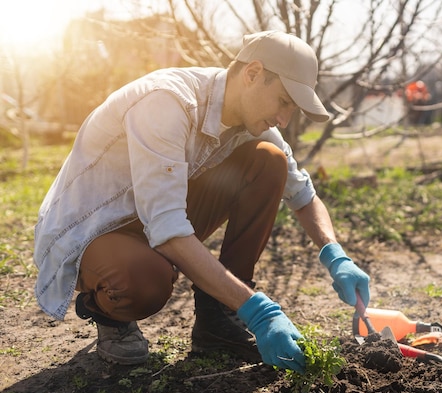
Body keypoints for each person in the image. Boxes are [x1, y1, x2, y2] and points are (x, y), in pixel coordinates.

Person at [33, 31, 371, 373]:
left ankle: (217, 318)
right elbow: (168, 229)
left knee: (270, 161)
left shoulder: (251, 122)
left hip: (151, 218)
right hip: (93, 231)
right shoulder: (166, 103)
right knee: (145, 281)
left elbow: (303, 195)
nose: (284, 119)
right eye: (283, 101)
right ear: (252, 74)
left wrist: (335, 254)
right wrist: (258, 310)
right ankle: (109, 313)